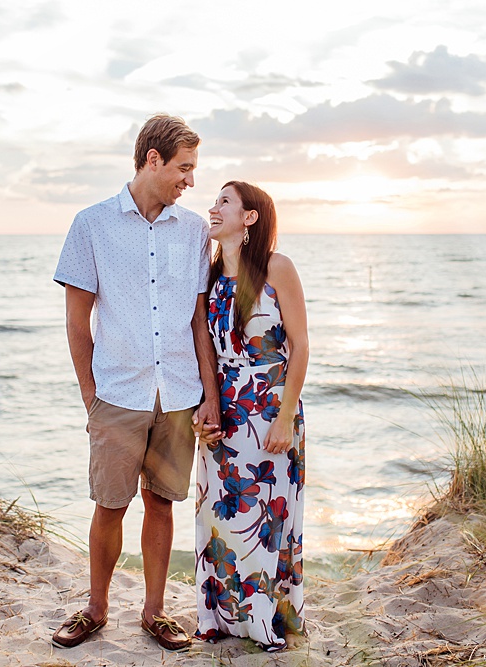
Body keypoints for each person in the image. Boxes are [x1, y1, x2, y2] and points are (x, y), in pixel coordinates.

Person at [51, 114, 220, 651]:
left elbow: (198, 319)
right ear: (153, 159)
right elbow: (78, 322)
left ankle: (154, 613)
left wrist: (209, 395)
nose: (190, 181)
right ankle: (96, 608)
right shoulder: (91, 224)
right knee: (109, 505)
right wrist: (90, 397)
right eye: (184, 168)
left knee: (163, 503)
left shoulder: (193, 231)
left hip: (177, 392)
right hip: (117, 394)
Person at [194, 181, 308, 651]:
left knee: (267, 516)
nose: (213, 208)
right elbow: (203, 345)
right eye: (215, 201)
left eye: (224, 201)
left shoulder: (277, 268)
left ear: (251, 217)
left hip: (270, 408)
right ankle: (221, 618)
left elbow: (300, 348)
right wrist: (206, 402)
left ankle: (266, 620)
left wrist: (284, 418)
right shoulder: (210, 272)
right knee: (218, 514)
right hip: (224, 408)